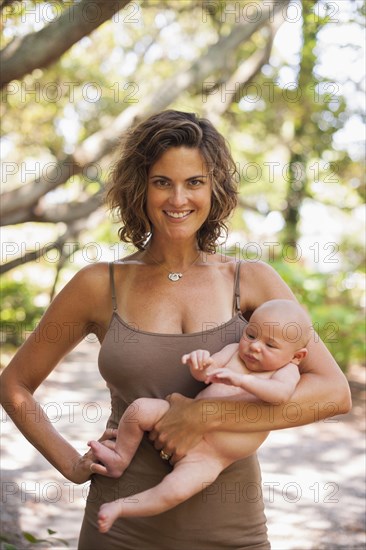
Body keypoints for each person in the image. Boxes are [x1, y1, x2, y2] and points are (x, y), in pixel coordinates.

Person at [0, 110, 351, 550]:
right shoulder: (98, 284)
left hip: (233, 531)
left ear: (214, 188)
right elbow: (15, 385)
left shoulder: (252, 280)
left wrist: (205, 413)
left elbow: (333, 393)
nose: (178, 198)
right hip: (119, 529)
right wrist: (71, 465)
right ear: (140, 187)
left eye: (195, 182)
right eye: (162, 181)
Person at [88, 298, 310, 533]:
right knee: (139, 409)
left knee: (174, 491)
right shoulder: (234, 351)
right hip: (180, 418)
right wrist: (200, 363)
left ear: (297, 356)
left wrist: (244, 380)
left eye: (270, 345)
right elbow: (206, 374)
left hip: (211, 457)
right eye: (251, 335)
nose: (255, 347)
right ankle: (120, 459)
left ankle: (121, 508)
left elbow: (280, 395)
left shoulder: (287, 371)